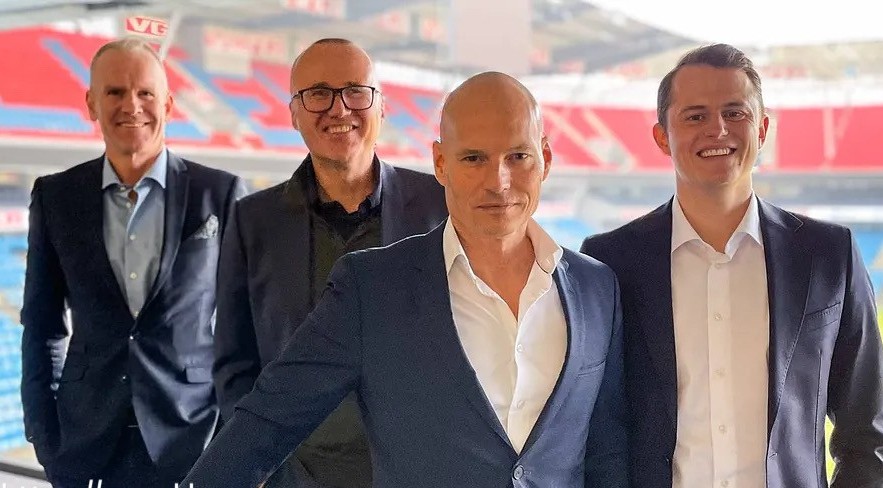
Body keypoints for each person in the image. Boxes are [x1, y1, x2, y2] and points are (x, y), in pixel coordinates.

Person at [184, 71, 628, 488]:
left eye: (518, 156)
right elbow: (269, 420)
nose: (499, 181)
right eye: (474, 158)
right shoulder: (372, 288)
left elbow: (606, 453)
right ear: (441, 163)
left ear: (545, 158)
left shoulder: (596, 287)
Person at [581, 43, 883, 488]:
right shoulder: (609, 261)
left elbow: (868, 432)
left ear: (762, 129)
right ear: (662, 137)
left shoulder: (828, 255)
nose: (717, 129)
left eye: (734, 113)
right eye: (695, 116)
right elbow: (592, 430)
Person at [212, 38, 447, 488]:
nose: (339, 109)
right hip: (293, 477)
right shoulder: (252, 220)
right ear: (293, 113)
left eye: (356, 91)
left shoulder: (439, 207)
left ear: (382, 106)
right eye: (318, 93)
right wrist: (256, 463)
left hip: (416, 472)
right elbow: (234, 363)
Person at [20, 38, 246, 487]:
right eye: (115, 92)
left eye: (145, 92)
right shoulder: (56, 196)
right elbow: (42, 327)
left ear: (168, 104)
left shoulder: (220, 193)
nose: (132, 106)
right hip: (85, 447)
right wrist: (45, 438)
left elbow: (244, 330)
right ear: (91, 104)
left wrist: (230, 442)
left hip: (192, 444)